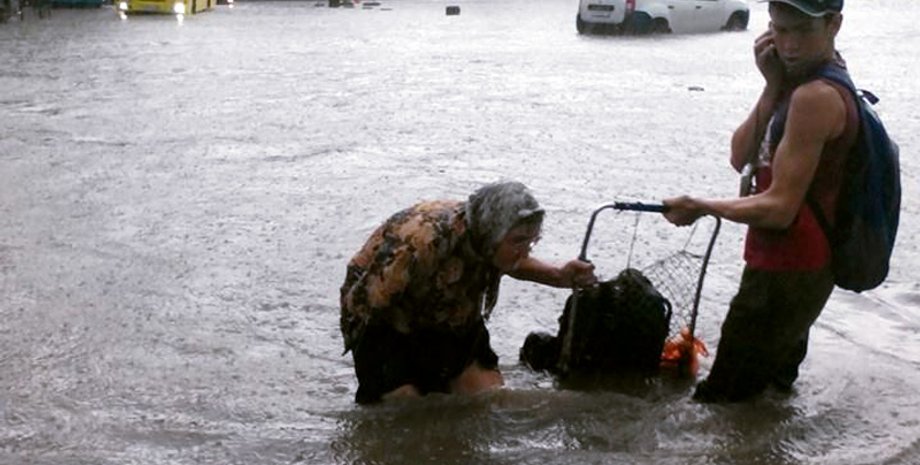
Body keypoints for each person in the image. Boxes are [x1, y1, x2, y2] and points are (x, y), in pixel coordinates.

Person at [662, 0, 858, 402]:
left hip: (787, 270)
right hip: (801, 268)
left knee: (724, 402)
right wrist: (772, 86)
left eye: (802, 31)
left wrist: (700, 204)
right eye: (780, 30)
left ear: (834, 24)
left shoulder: (816, 97)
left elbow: (779, 207)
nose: (789, 45)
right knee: (768, 395)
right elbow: (740, 156)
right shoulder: (798, 83)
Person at [340, 181, 597, 404]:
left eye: (530, 241)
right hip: (388, 320)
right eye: (518, 241)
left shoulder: (488, 240)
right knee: (405, 406)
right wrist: (383, 374)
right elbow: (366, 307)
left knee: (486, 396)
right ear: (491, 234)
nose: (525, 251)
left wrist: (557, 275)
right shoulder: (421, 242)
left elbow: (508, 261)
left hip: (453, 309)